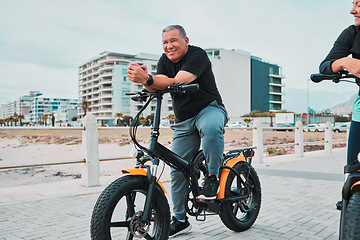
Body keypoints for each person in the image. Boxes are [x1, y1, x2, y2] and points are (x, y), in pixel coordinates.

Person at [127, 25, 228, 237]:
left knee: (210, 128)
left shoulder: (197, 55)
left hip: (209, 109)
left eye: (173, 40)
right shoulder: (164, 61)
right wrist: (145, 80)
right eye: (165, 42)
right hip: (183, 120)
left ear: (185, 41)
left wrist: (148, 79)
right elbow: (157, 86)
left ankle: (212, 175)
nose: (169, 46)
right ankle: (180, 220)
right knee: (176, 170)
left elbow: (177, 81)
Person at [319, 0, 360, 167]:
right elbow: (325, 66)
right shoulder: (352, 33)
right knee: (352, 169)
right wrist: (343, 62)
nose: (352, 10)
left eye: (359, 4)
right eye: (353, 4)